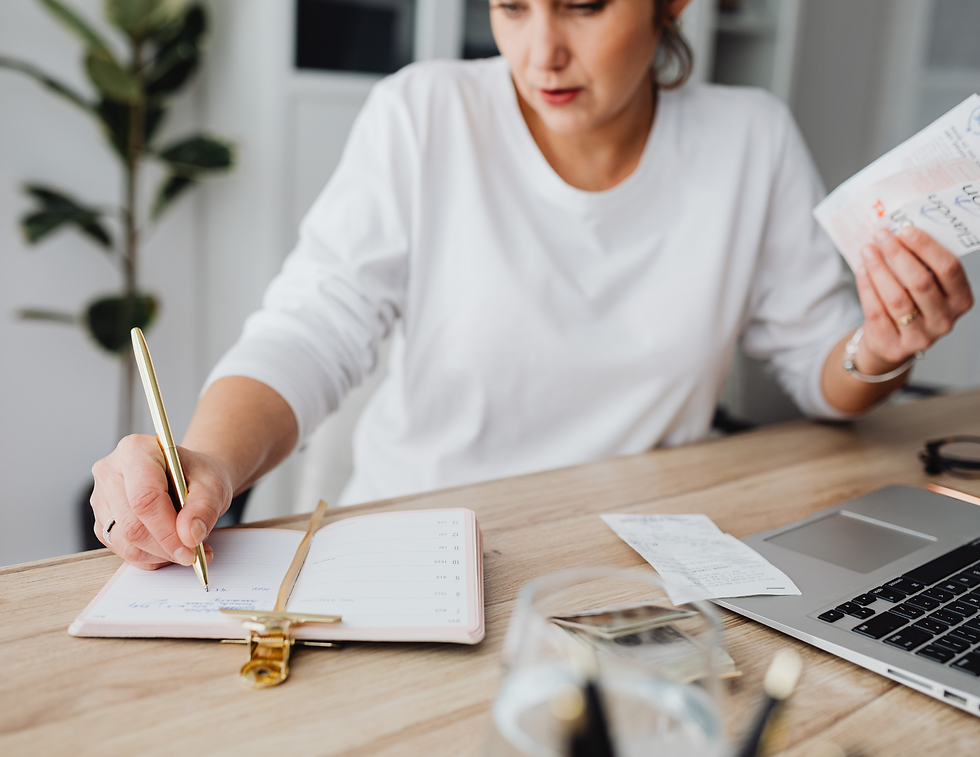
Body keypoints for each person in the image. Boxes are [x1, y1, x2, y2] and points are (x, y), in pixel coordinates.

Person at [90, 0, 973, 570]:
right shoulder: (424, 113)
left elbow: (824, 368)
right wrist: (204, 459)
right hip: (419, 557)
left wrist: (877, 348)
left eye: (583, 6)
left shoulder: (751, 140)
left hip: (638, 564)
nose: (540, 50)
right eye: (511, 6)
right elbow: (314, 326)